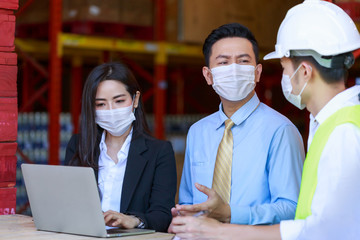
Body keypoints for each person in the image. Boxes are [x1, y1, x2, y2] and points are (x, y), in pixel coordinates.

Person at [168, 0, 360, 239]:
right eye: (224, 62)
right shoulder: (329, 125)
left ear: (305, 71)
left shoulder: (342, 131)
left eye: (283, 67)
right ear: (208, 74)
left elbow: (322, 228)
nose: (284, 76)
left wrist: (227, 222)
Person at [172, 22, 304, 225]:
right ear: (208, 75)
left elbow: (292, 208)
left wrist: (231, 213)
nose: (233, 69)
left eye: (243, 61)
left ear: (257, 72)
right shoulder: (197, 132)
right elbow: (188, 201)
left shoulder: (281, 131)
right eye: (223, 62)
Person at [65, 62, 177, 232]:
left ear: (135, 99)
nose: (110, 110)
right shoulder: (78, 145)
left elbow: (162, 215)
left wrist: (134, 220)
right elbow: (68, 203)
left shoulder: (159, 152)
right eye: (101, 104)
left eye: (119, 101)